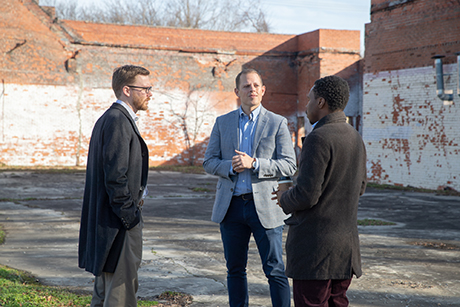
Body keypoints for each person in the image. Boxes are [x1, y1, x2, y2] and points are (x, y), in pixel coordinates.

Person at [203, 68, 297, 307]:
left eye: (256, 85)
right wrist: (230, 167)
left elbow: (289, 165)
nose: (252, 89)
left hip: (266, 206)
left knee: (275, 270)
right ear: (237, 91)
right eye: (246, 86)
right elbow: (209, 162)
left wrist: (254, 163)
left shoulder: (277, 123)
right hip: (231, 207)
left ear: (263, 90)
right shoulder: (222, 123)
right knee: (234, 269)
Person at [273, 75, 367, 307]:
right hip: (345, 250)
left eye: (309, 100)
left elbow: (307, 194)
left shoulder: (318, 138)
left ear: (321, 102)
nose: (306, 106)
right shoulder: (355, 137)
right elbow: (360, 187)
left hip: (316, 253)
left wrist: (284, 196)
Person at [78, 65, 151, 307]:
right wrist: (130, 217)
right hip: (118, 226)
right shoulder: (118, 120)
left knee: (104, 294)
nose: (150, 93)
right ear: (127, 90)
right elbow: (115, 177)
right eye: (145, 88)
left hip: (109, 224)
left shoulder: (109, 119)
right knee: (120, 294)